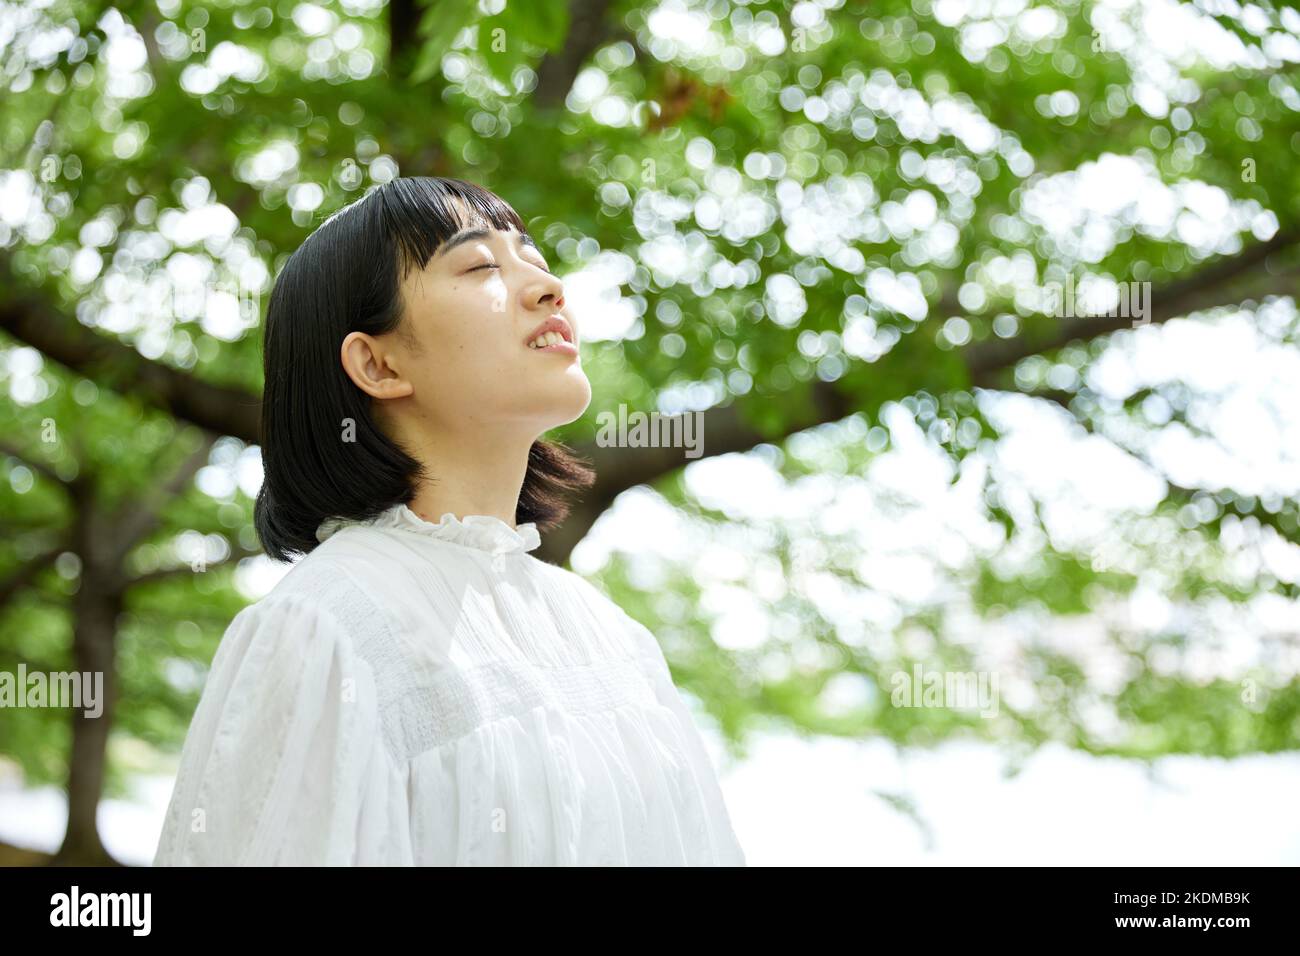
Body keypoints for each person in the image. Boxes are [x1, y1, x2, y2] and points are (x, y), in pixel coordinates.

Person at [152, 176, 747, 866]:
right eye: (481, 266)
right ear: (377, 363)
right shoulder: (327, 627)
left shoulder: (615, 636)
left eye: (533, 256)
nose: (547, 287)